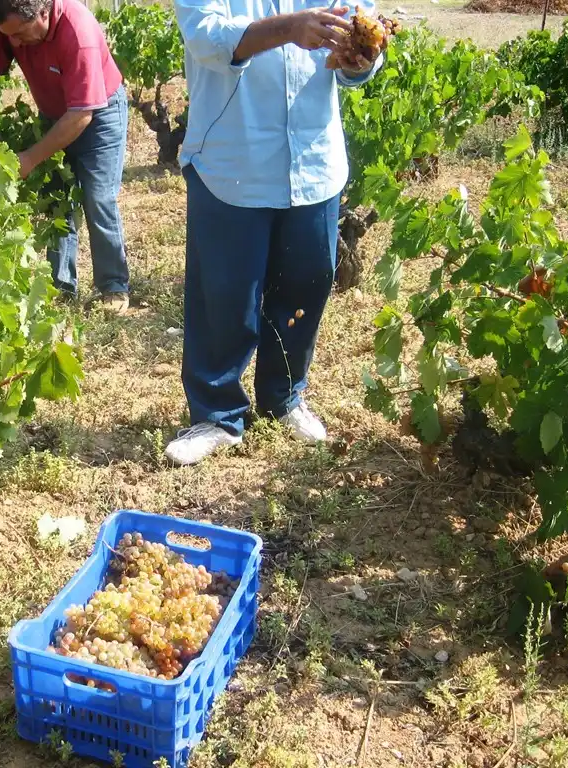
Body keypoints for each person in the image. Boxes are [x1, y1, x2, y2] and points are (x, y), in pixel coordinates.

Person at [162, 0, 386, 466]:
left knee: (306, 282)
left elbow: (361, 47)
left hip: (314, 159)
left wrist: (360, 59)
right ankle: (217, 413)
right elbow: (205, 37)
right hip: (232, 160)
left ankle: (284, 397)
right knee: (223, 293)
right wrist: (289, 28)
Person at [0, 0, 132, 313]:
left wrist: (30, 158)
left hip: (98, 113)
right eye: (8, 35)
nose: (13, 42)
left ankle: (113, 287)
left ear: (44, 13)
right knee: (57, 200)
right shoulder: (10, 21)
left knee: (98, 197)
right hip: (54, 114)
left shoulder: (76, 31)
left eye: (19, 34)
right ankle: (61, 287)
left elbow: (81, 114)